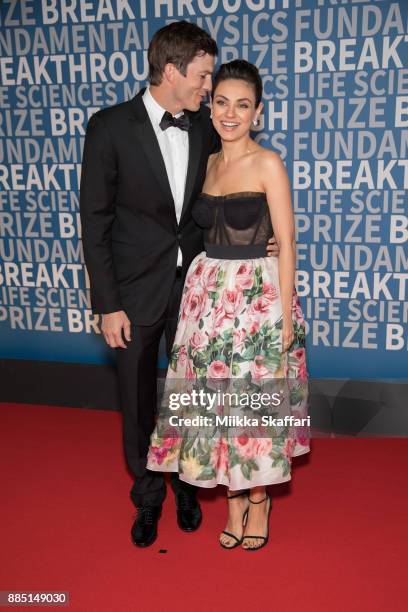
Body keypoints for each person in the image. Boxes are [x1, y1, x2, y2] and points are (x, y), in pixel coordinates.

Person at [80, 20, 279, 548]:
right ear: (171, 70)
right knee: (139, 400)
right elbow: (94, 222)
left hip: (197, 292)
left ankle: (189, 486)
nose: (209, 89)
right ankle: (148, 499)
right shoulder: (109, 127)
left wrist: (263, 240)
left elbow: (234, 191)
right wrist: (108, 304)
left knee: (194, 396)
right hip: (134, 293)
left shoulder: (207, 126)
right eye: (202, 75)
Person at [147, 60, 310, 551]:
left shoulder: (268, 163)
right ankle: (233, 499)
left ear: (257, 112)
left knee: (253, 402)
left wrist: (284, 311)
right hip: (206, 297)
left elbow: (288, 240)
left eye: (242, 105)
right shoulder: (208, 163)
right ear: (211, 107)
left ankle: (258, 497)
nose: (230, 113)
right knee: (215, 402)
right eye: (221, 102)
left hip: (257, 299)